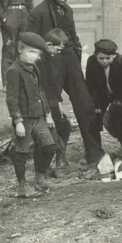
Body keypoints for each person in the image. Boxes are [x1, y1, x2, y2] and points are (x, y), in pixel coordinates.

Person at [25, 0, 107, 175]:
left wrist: (76, 51)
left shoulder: (68, 10)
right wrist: (45, 52)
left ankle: (94, 154)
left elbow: (73, 35)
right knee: (54, 111)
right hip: (50, 65)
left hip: (70, 61)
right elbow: (29, 38)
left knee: (85, 105)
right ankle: (54, 160)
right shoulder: (38, 13)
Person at [4, 32, 60, 197]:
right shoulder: (14, 70)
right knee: (21, 152)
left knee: (50, 147)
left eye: (37, 53)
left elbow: (40, 92)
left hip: (39, 116)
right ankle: (22, 186)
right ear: (20, 49)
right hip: (25, 119)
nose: (34, 56)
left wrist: (48, 114)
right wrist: (18, 121)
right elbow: (11, 99)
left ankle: (40, 177)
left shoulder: (34, 67)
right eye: (30, 52)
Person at [40, 29, 75, 172]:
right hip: (44, 101)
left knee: (64, 126)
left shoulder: (48, 58)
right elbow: (44, 87)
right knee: (50, 132)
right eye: (57, 49)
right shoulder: (40, 60)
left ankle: (59, 161)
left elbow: (53, 84)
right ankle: (48, 166)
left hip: (52, 100)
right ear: (49, 44)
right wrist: (48, 111)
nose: (58, 52)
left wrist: (58, 102)